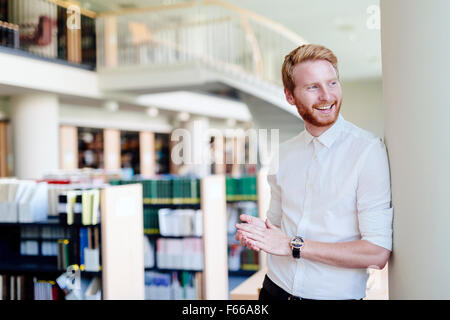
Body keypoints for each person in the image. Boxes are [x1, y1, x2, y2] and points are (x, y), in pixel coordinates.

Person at [235, 44, 393, 300]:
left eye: (332, 83)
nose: (326, 96)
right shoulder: (283, 153)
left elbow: (376, 252)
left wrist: (292, 246)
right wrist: (258, 234)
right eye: (312, 87)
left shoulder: (367, 152)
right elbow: (275, 223)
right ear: (289, 96)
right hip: (274, 289)